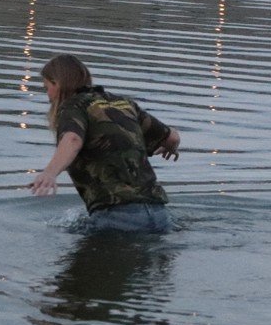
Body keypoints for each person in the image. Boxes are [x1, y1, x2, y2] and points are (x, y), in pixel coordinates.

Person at [30, 54, 181, 233]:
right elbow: (173, 138)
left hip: (117, 216)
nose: (48, 96)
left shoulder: (73, 107)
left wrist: (49, 173)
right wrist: (169, 148)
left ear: (57, 84)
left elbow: (72, 139)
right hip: (159, 214)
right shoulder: (123, 103)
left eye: (46, 88)